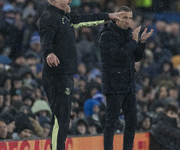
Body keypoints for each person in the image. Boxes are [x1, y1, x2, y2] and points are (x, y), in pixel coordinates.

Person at [39, 0, 122, 150]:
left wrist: (109, 16)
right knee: (61, 118)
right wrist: (48, 52)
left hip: (65, 74)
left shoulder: (65, 17)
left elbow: (85, 20)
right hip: (57, 74)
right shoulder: (50, 16)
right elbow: (46, 37)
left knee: (62, 118)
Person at [98, 6, 154, 150]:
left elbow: (135, 57)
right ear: (116, 17)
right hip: (114, 84)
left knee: (132, 121)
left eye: (130, 18)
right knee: (112, 122)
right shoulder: (107, 35)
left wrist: (141, 42)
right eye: (124, 17)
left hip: (128, 83)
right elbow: (118, 55)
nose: (128, 21)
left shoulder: (129, 34)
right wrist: (134, 41)